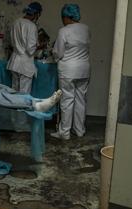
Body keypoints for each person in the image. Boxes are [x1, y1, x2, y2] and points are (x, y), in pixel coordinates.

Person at [50, 4, 91, 140]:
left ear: (67, 17)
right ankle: (79, 130)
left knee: (67, 100)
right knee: (81, 100)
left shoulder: (64, 31)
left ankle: (64, 132)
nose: (62, 20)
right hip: (84, 69)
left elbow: (58, 52)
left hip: (68, 70)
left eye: (63, 17)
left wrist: (54, 55)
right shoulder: (86, 29)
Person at [7, 2, 43, 94]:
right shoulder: (32, 26)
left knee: (14, 93)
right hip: (25, 66)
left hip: (14, 63)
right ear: (36, 14)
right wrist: (40, 46)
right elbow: (30, 50)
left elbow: (12, 43)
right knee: (24, 96)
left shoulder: (15, 22)